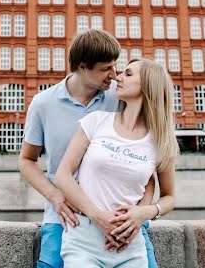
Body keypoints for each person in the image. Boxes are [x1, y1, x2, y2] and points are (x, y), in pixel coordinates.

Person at [19, 30, 158, 268]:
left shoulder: (120, 98)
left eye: (116, 67)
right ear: (82, 67)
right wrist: (55, 196)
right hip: (64, 215)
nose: (114, 76)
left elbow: (147, 168)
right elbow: (26, 160)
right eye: (106, 69)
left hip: (118, 218)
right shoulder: (44, 103)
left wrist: (140, 212)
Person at [55, 58, 177, 268]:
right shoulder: (95, 121)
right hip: (84, 241)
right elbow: (63, 175)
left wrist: (145, 213)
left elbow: (169, 196)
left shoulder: (160, 141)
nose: (117, 77)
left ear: (148, 85)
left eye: (128, 74)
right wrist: (98, 216)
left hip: (129, 245)